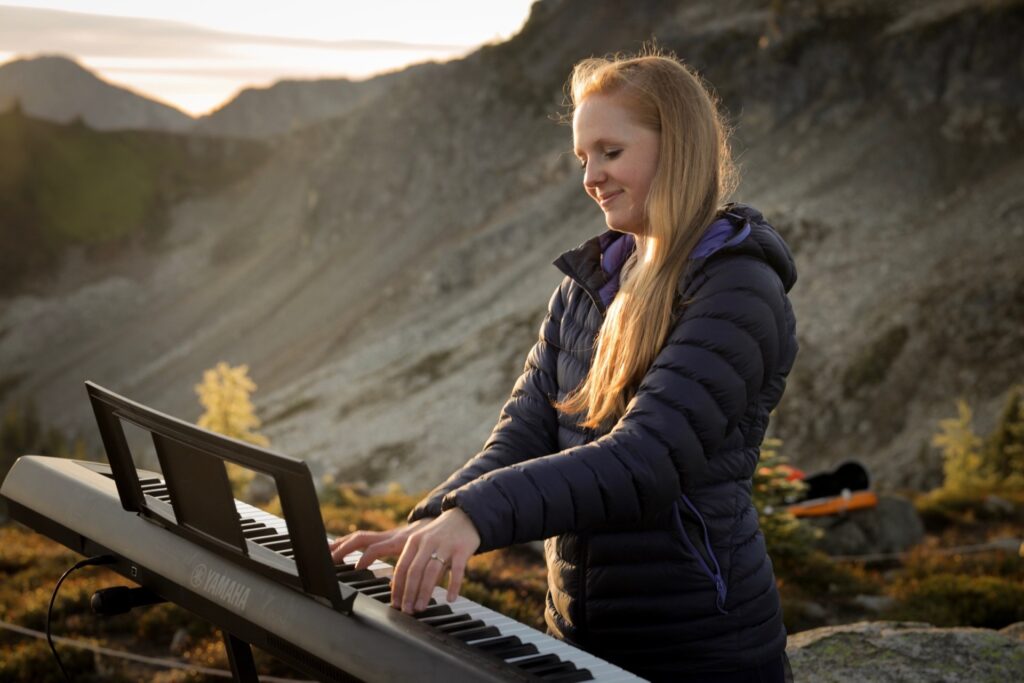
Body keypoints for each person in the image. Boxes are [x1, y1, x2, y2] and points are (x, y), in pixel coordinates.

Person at [330, 50, 798, 682]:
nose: (591, 177)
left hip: (699, 650)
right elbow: (523, 433)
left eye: (610, 151)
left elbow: (646, 460)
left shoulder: (739, 290)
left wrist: (477, 516)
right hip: (576, 636)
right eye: (583, 158)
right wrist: (430, 521)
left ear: (678, 147)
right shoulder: (589, 283)